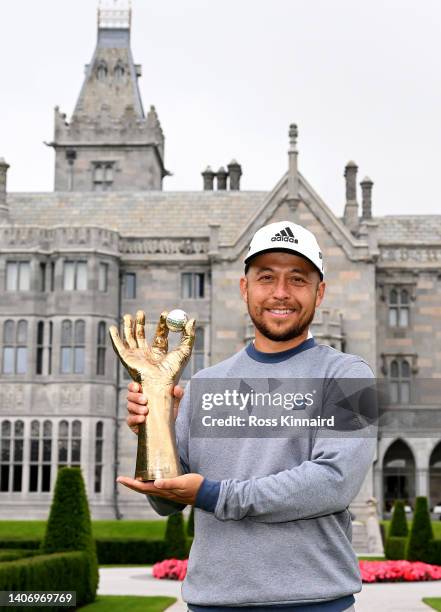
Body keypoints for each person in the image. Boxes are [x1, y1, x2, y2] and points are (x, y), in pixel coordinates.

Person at [117, 221, 377, 612]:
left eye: (298, 279)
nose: (280, 293)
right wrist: (155, 431)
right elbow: (166, 501)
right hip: (212, 603)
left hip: (314, 603)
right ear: (245, 288)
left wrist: (213, 495)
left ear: (319, 292)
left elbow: (333, 483)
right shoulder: (205, 383)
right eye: (266, 277)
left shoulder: (350, 377)